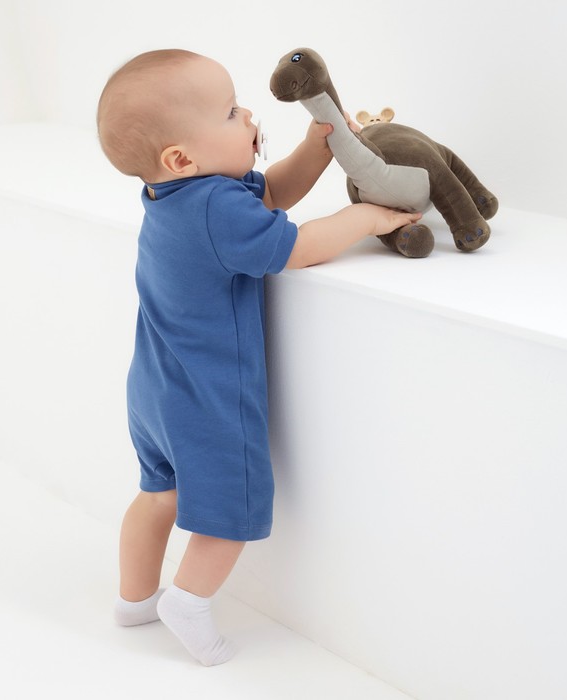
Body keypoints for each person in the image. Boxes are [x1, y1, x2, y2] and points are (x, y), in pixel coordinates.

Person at [96, 48, 420, 666]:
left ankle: (133, 600)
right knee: (231, 510)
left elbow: (269, 194)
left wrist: (318, 148)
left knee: (158, 494)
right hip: (207, 396)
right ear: (182, 157)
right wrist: (363, 217)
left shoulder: (177, 195)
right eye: (230, 112)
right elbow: (293, 247)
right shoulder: (216, 207)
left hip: (154, 386)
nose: (248, 116)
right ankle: (188, 602)